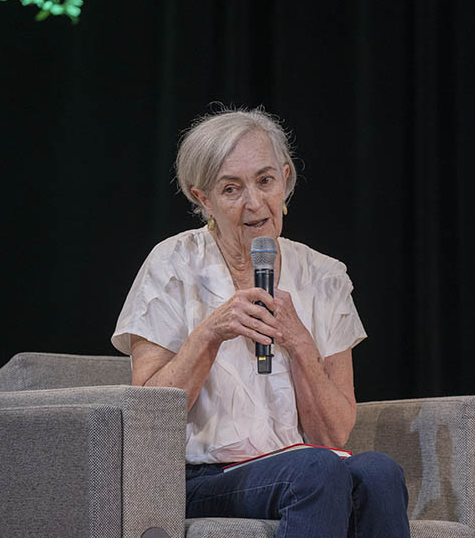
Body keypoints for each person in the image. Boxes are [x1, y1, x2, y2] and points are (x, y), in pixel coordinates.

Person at [111, 108, 410, 538]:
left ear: (285, 179)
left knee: (379, 471)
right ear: (203, 199)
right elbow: (146, 418)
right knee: (315, 469)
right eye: (231, 189)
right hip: (203, 476)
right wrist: (211, 332)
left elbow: (334, 434)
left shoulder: (323, 276)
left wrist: (299, 342)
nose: (254, 203)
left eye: (265, 181)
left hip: (302, 465)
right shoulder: (173, 264)